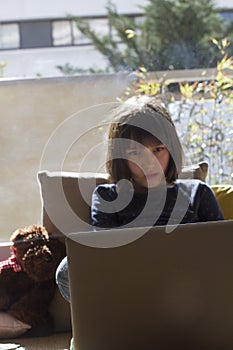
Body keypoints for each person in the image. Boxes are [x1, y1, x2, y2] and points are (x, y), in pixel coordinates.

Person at [56, 95, 223, 301]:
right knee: (67, 269)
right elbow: (101, 257)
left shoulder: (197, 192)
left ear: (171, 149)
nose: (149, 162)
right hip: (131, 291)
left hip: (190, 292)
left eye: (158, 150)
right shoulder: (108, 196)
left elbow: (222, 251)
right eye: (136, 153)